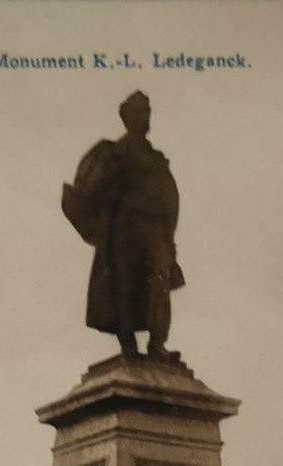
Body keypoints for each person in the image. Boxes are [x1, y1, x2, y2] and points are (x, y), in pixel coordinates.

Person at [62, 91, 184, 361]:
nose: (146, 117)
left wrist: (169, 236)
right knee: (123, 285)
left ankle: (157, 344)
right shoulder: (112, 152)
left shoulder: (156, 158)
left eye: (148, 111)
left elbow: (169, 199)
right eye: (141, 112)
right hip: (123, 230)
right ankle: (128, 344)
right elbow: (91, 190)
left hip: (154, 230)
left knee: (160, 281)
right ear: (127, 117)